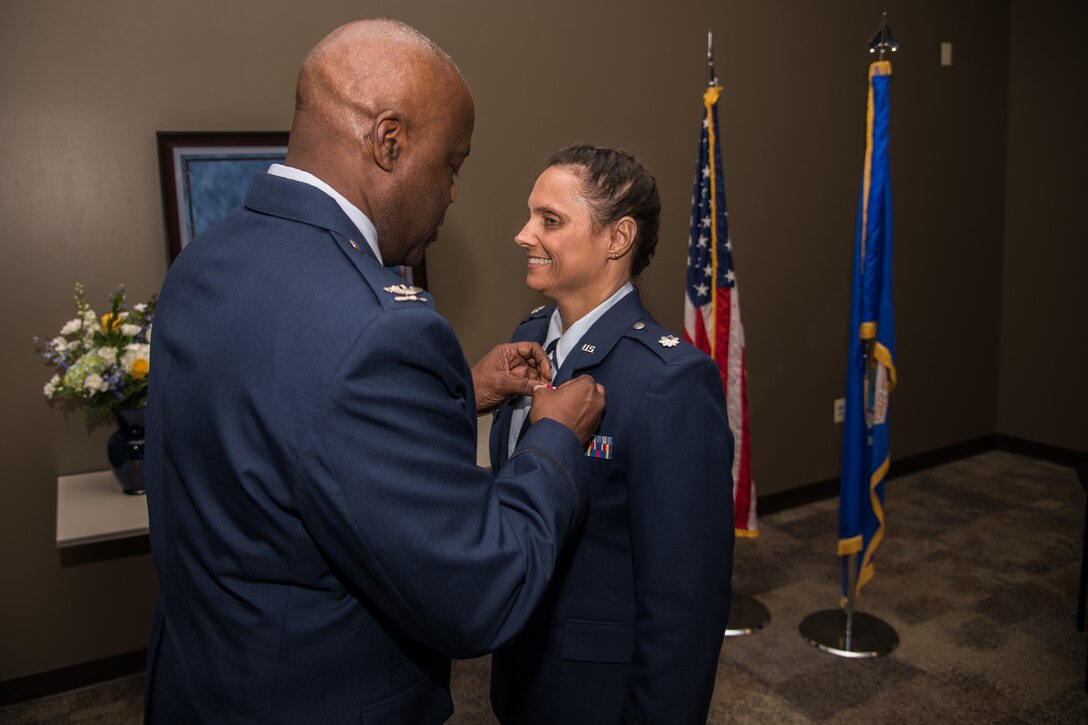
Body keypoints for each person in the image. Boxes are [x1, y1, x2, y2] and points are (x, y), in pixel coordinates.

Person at [143, 20, 605, 724]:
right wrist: (552, 441)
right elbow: (482, 591)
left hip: (203, 680)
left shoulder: (206, 260)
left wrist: (460, 390)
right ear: (389, 142)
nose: (452, 192)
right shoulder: (380, 327)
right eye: (451, 164)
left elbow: (289, 419)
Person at [488, 145, 735, 724]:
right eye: (531, 216)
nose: (523, 235)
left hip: (597, 695)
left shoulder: (668, 381)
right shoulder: (528, 339)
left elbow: (685, 607)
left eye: (550, 220)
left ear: (617, 238)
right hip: (520, 673)